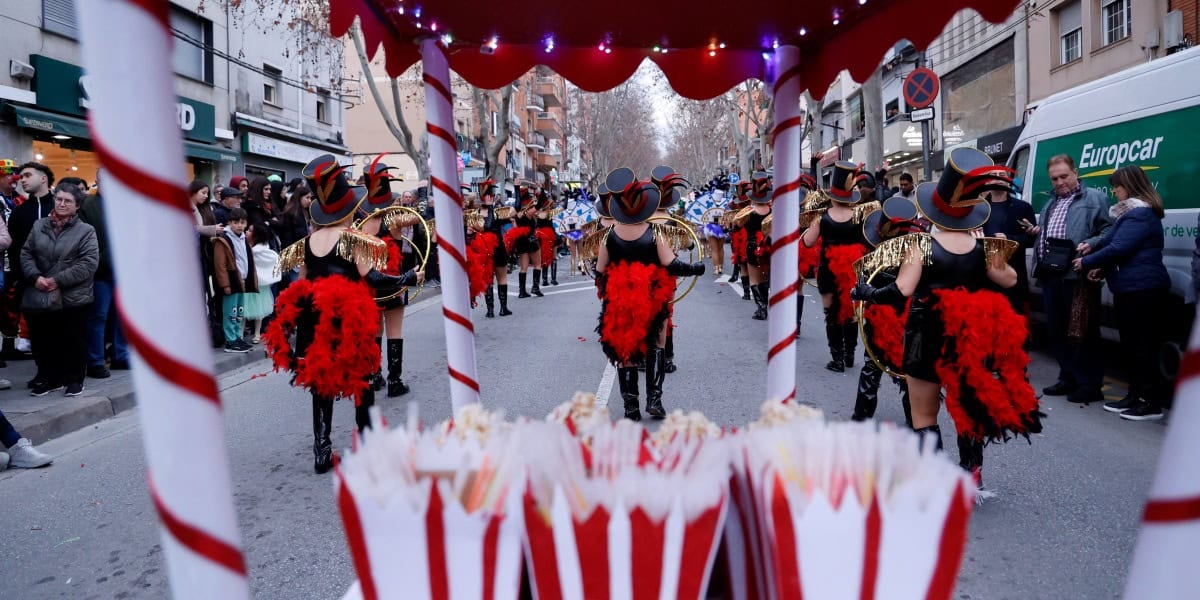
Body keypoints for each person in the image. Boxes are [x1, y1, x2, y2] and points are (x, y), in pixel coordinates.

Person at [876, 148, 1041, 488]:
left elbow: (902, 290)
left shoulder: (919, 244)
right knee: (967, 406)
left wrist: (865, 293)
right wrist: (992, 254)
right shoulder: (982, 246)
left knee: (923, 413)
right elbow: (1010, 280)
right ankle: (972, 473)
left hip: (926, 335)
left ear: (933, 209)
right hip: (967, 338)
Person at [266, 155, 419, 473]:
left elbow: (304, 284)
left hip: (317, 322)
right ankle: (367, 446)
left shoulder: (308, 242)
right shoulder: (353, 239)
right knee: (362, 379)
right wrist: (407, 278)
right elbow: (372, 278)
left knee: (321, 382)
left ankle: (321, 451)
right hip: (350, 321)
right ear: (348, 209)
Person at [595, 168, 703, 421]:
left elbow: (600, 271)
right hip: (653, 296)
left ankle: (631, 408)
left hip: (620, 299)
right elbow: (671, 265)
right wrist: (695, 268)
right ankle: (654, 400)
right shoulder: (655, 233)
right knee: (656, 344)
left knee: (625, 352)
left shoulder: (609, 235)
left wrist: (607, 291)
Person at [1076, 165, 1170, 421]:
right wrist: (1103, 269)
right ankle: (1135, 394)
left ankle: (1150, 403)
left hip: (1143, 289)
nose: (1114, 191)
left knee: (1143, 347)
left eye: (1117, 186)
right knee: (1131, 345)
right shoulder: (1129, 215)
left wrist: (1087, 262)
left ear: (1129, 186)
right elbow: (1121, 249)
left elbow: (1119, 247)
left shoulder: (1139, 214)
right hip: (1131, 287)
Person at [1031, 154, 1112, 405]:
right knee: (1058, 330)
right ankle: (1068, 377)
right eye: (1055, 178)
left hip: (1077, 275)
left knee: (1084, 331)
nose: (1059, 182)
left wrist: (1091, 243)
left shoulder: (1094, 199)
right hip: (1051, 274)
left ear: (1075, 172)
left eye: (1064, 176)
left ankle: (1089, 384)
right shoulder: (1051, 203)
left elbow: (1110, 229)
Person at [851, 195, 923, 425]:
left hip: (889, 315)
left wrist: (864, 293)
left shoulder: (873, 255)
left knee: (873, 365)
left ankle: (861, 419)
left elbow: (867, 285)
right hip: (908, 318)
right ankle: (916, 423)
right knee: (907, 372)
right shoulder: (918, 255)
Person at [22, 182, 99, 397]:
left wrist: (57, 280)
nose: (62, 204)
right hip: (41, 293)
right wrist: (35, 276)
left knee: (73, 339)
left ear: (77, 206)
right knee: (44, 339)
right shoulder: (39, 225)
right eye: (59, 199)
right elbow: (26, 253)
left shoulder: (86, 230)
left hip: (72, 296)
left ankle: (74, 379)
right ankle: (49, 378)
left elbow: (88, 263)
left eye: (68, 201)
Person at [802, 161, 877, 373]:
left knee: (831, 314)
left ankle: (837, 360)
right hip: (853, 269)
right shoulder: (860, 216)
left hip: (828, 269)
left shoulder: (821, 217)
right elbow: (869, 242)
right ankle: (850, 354)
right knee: (851, 312)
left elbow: (807, 242)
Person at [78, 173, 129, 379]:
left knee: (121, 317)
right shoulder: (88, 205)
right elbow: (85, 239)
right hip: (100, 272)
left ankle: (120, 355)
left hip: (124, 272)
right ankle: (96, 360)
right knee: (98, 317)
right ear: (97, 182)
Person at [982, 180, 1038, 314]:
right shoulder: (978, 208)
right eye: (993, 176)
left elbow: (1032, 240)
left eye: (1002, 175)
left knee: (1012, 318)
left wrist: (1009, 239)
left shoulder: (1023, 207)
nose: (997, 179)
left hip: (1012, 273)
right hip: (983, 278)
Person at [211, 207, 257, 353]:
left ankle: (238, 337)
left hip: (242, 281)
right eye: (236, 222)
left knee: (239, 312)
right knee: (230, 312)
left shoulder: (243, 238)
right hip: (231, 282)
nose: (239, 225)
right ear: (229, 222)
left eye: (242, 222)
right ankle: (230, 341)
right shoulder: (223, 239)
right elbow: (220, 265)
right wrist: (225, 284)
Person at [474, 178, 514, 318]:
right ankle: (492, 309)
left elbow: (515, 212)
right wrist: (491, 207)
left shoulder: (482, 212)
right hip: (486, 249)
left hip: (496, 248)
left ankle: (500, 308)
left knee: (497, 278)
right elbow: (488, 226)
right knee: (490, 278)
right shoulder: (478, 213)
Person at [741, 172, 773, 321]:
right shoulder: (773, 211)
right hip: (769, 246)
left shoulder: (748, 212)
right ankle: (766, 303)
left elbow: (737, 224)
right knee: (766, 278)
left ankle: (761, 308)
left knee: (755, 278)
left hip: (752, 246)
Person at [245, 222, 280, 344]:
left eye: (249, 230)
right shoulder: (247, 246)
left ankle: (257, 333)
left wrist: (267, 277)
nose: (246, 232)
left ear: (256, 235)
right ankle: (248, 333)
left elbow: (273, 259)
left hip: (259, 283)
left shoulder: (259, 250)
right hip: (249, 282)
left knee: (258, 308)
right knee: (245, 308)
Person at [506, 186, 544, 298]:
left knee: (523, 267)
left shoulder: (515, 212)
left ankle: (522, 291)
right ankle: (535, 287)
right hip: (531, 240)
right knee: (537, 264)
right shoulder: (529, 212)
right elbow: (540, 204)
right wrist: (540, 192)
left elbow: (514, 226)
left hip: (521, 241)